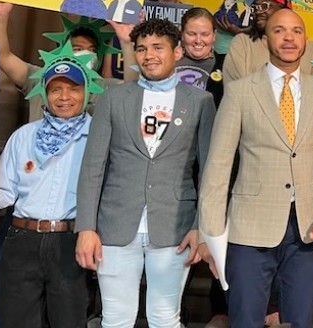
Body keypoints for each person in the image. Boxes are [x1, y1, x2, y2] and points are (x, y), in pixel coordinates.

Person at [198, 8, 313, 328]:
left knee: (300, 322)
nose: (289, 38)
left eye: (296, 31)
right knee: (245, 321)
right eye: (279, 31)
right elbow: (218, 165)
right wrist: (211, 235)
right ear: (266, 38)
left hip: (308, 230)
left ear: (306, 40)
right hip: (249, 228)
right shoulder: (240, 91)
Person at [75, 19, 216, 328]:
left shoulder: (201, 102)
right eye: (141, 49)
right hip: (114, 227)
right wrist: (85, 226)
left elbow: (209, 172)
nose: (149, 55)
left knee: (165, 319)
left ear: (177, 52)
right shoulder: (114, 98)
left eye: (157, 48)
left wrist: (200, 226)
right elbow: (92, 167)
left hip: (174, 227)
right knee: (115, 320)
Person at [0, 44, 102, 328]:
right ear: (44, 93)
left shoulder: (97, 136)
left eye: (73, 88)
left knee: (68, 322)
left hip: (70, 242)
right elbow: (5, 190)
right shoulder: (24, 137)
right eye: (56, 89)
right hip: (22, 240)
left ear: (86, 93)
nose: (64, 97)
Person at [222, 0, 313, 82]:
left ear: (285, 10)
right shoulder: (242, 44)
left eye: (265, 6)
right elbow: (237, 91)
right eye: (255, 8)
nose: (258, 11)